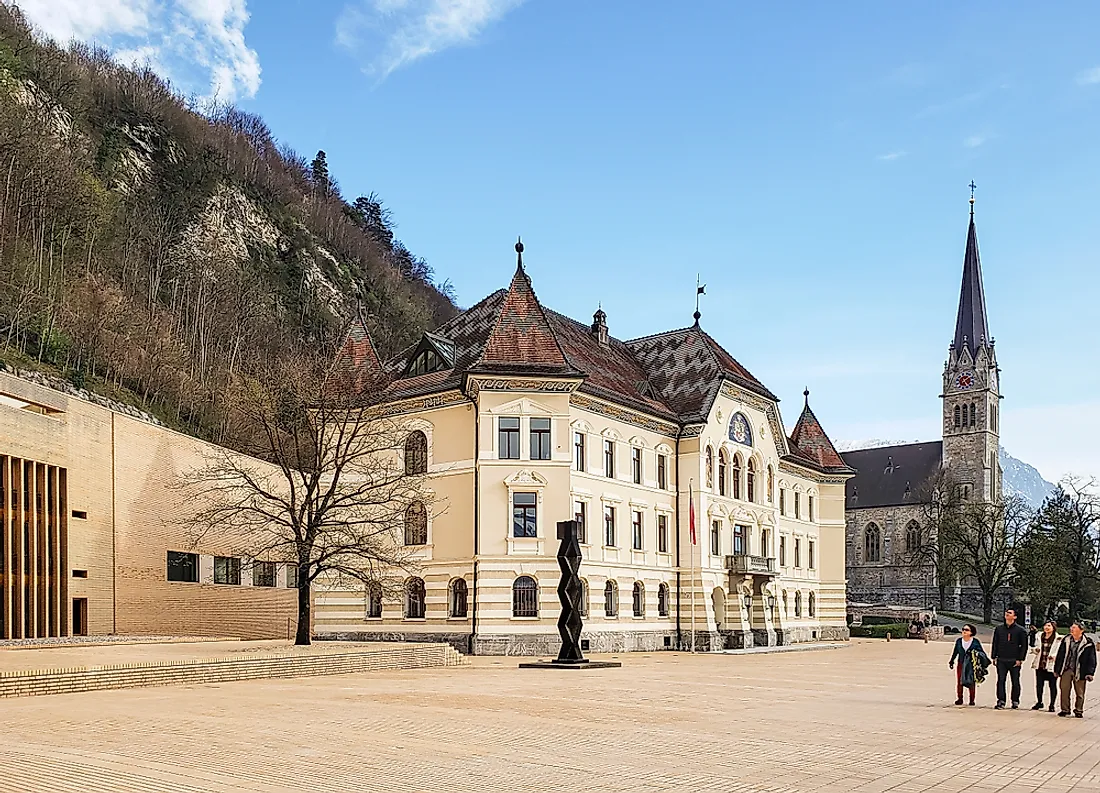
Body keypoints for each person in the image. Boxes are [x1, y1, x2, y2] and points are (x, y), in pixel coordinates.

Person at [1053, 620, 1097, 718]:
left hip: (1080, 670)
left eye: (1074, 628)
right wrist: (1057, 669)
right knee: (1064, 690)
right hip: (1066, 669)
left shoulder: (1088, 643)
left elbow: (1092, 659)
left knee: (1080, 692)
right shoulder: (1066, 640)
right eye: (1071, 627)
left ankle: (1079, 710)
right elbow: (1060, 655)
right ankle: (1065, 709)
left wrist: (1090, 673)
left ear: (1081, 630)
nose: (1071, 629)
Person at [991, 607, 1029, 709]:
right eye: (1006, 612)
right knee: (1001, 680)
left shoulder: (1020, 630)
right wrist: (994, 656)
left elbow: (1024, 646)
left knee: (1015, 681)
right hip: (1001, 659)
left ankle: (1015, 700)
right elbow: (995, 643)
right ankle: (1001, 700)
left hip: (1014, 659)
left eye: (1010, 613)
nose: (1007, 614)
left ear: (1015, 616)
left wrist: (1020, 659)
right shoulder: (999, 629)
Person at [949, 624, 987, 705]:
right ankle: (960, 698)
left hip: (971, 664)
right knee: (960, 681)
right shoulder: (959, 641)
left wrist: (974, 653)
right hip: (961, 663)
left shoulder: (975, 642)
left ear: (971, 632)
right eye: (963, 629)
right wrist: (951, 661)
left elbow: (982, 653)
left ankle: (972, 700)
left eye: (966, 630)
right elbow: (955, 651)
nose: (964, 631)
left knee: (971, 681)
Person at [1030, 621, 1062, 712]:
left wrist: (1055, 657)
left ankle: (1052, 704)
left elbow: (1060, 651)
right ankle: (1039, 702)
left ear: (1053, 627)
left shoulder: (1058, 638)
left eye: (1049, 626)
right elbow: (1034, 647)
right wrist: (1035, 650)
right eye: (1045, 625)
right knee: (1039, 684)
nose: (1046, 627)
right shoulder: (1039, 636)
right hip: (1040, 664)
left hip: (1051, 665)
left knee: (1052, 685)